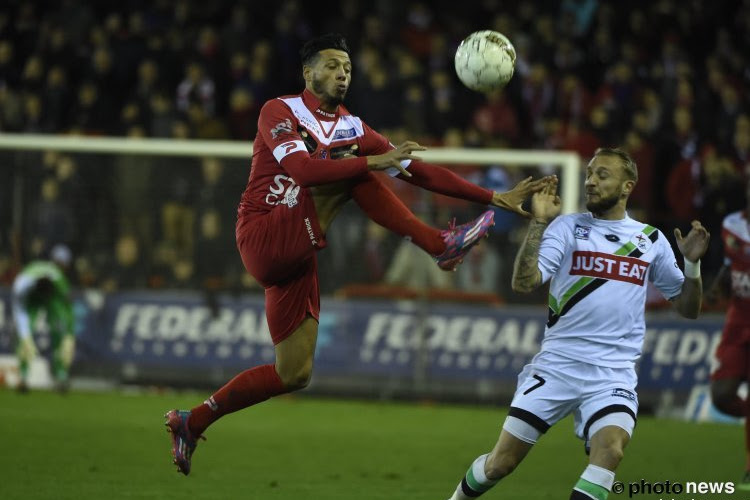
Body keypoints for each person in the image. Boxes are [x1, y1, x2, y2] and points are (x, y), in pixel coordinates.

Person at [164, 33, 550, 475]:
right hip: (263, 233)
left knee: (293, 372)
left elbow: (417, 170)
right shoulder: (279, 110)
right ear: (308, 72)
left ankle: (192, 421)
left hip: (297, 255)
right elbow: (304, 171)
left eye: (347, 67)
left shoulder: (351, 126)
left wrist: (493, 196)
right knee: (352, 171)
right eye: (331, 65)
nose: (341, 73)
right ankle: (438, 244)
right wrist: (373, 161)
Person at [445, 148, 710, 500]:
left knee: (611, 451)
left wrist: (691, 266)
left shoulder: (651, 240)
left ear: (627, 186)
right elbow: (525, 283)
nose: (590, 182)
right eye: (589, 173)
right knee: (500, 464)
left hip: (612, 372)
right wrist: (539, 223)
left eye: (603, 175)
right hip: (558, 366)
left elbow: (689, 309)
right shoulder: (568, 227)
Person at [709, 173, 750, 489]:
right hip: (738, 319)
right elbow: (728, 263)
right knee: (722, 395)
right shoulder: (732, 224)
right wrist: (715, 288)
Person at [12, 244, 76, 393]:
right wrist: (25, 336)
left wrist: (69, 335)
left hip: (52, 297)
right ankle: (23, 376)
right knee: (25, 341)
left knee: (59, 330)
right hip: (31, 300)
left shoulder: (58, 281)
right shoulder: (22, 285)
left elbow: (66, 310)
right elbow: (20, 312)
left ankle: (61, 375)